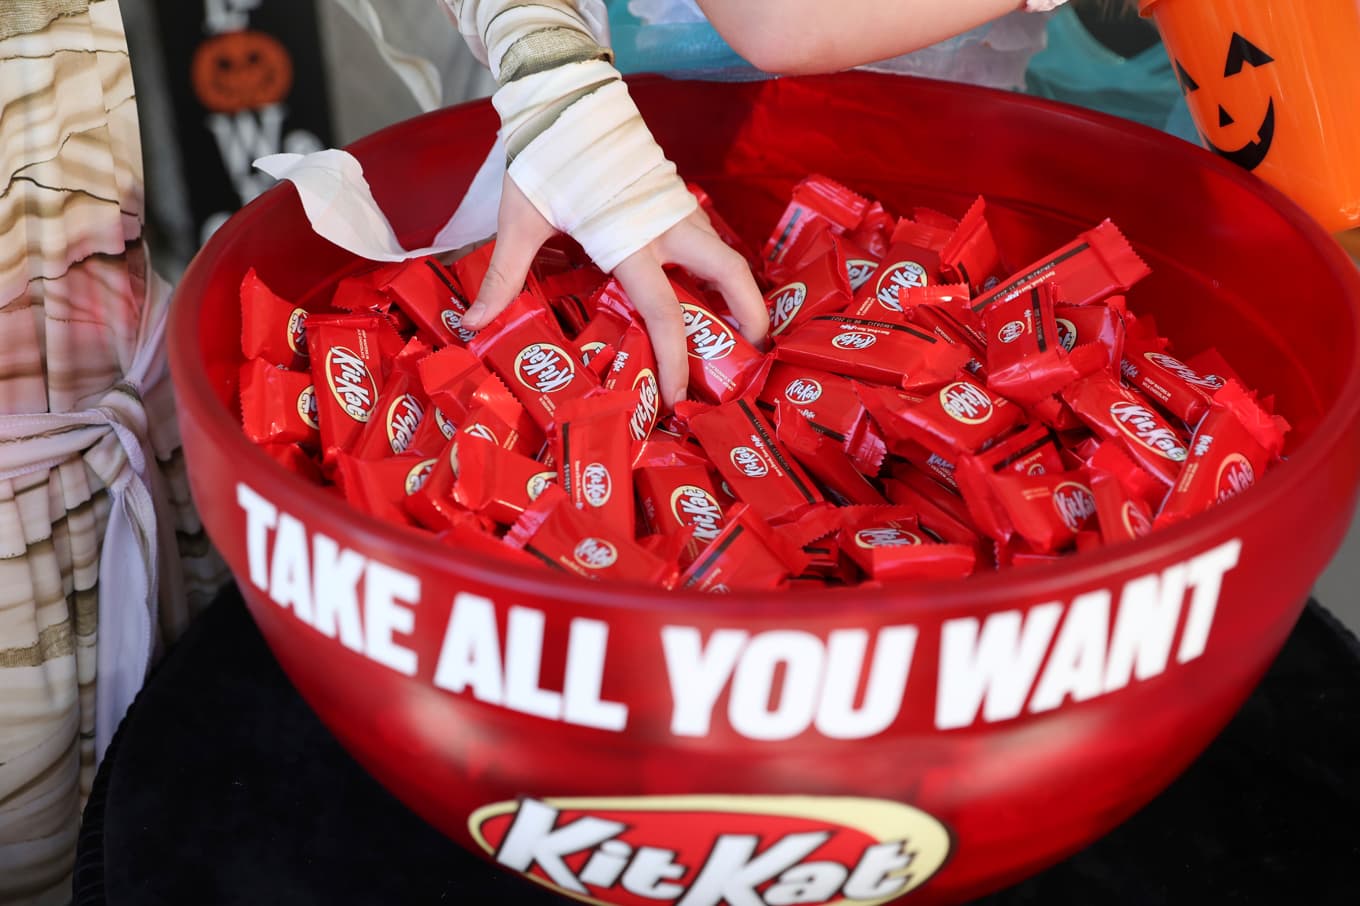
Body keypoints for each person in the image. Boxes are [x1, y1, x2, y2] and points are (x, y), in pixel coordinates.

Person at [447, 0, 1070, 408]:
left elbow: (782, 22)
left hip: (944, 150)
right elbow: (781, 23)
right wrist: (544, 55)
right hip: (573, 136)